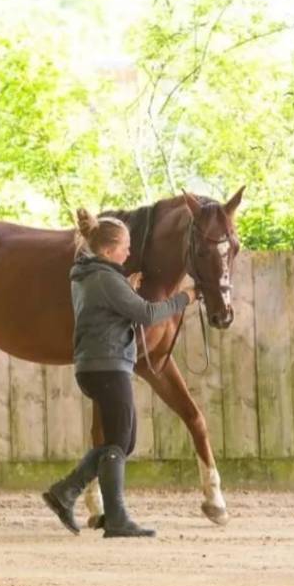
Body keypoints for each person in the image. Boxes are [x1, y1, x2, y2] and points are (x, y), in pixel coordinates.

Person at [43, 208, 196, 538]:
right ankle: (95, 507)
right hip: (108, 365)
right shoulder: (105, 278)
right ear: (110, 249)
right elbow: (146, 312)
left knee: (121, 442)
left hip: (98, 365)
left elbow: (115, 306)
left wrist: (126, 286)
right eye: (125, 246)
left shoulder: (92, 275)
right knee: (120, 441)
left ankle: (74, 496)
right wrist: (187, 296)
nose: (129, 252)